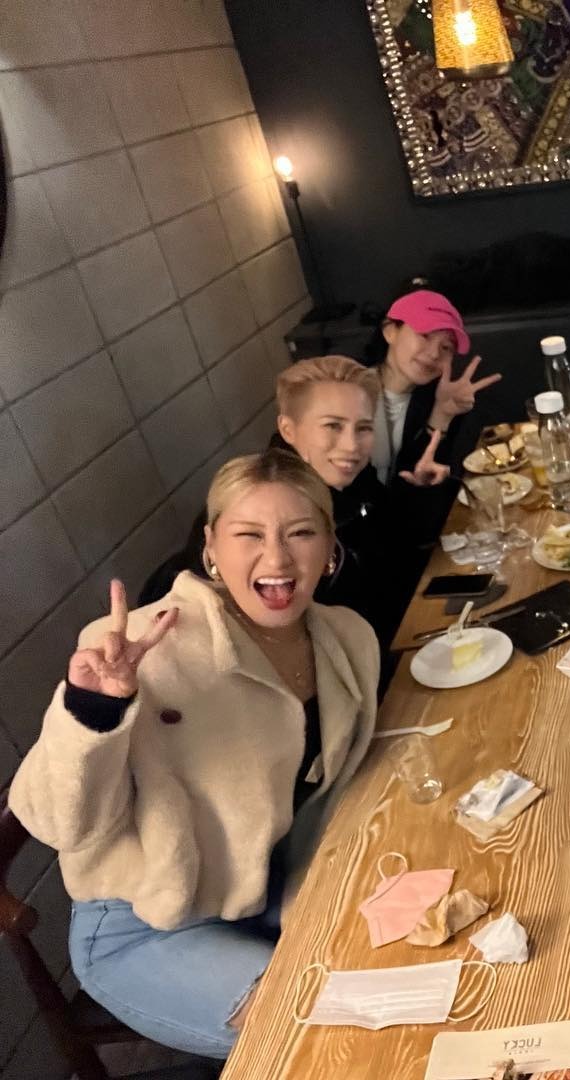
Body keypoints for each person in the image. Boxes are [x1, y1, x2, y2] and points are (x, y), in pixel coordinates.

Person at [10, 448, 380, 1059]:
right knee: (332, 1041)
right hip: (151, 924)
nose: (277, 559)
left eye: (300, 533)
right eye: (249, 535)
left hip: (277, 892)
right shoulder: (141, 646)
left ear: (329, 546)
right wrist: (94, 710)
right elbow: (60, 824)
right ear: (211, 547)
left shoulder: (347, 638)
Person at [140, 356, 436, 651]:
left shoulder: (355, 483)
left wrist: (419, 492)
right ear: (288, 429)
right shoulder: (250, 503)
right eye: (333, 426)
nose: (351, 445)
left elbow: (399, 556)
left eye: (363, 428)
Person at [363, 288, 499, 486]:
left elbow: (413, 481)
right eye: (424, 335)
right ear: (390, 331)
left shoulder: (437, 398)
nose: (435, 354)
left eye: (446, 347)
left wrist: (442, 415)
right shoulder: (348, 390)